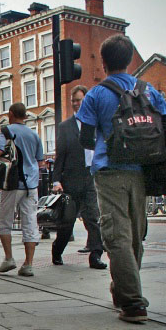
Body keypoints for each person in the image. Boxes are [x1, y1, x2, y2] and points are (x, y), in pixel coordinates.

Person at [77, 34, 166, 323]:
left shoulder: (96, 94)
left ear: (103, 63)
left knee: (116, 235)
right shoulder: (149, 91)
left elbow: (85, 138)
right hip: (143, 172)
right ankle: (123, 291)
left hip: (109, 172)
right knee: (134, 236)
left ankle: (132, 303)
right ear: (131, 59)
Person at [52, 85, 108, 270]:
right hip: (71, 179)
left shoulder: (95, 123)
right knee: (67, 223)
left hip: (90, 176)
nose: (76, 104)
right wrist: (56, 180)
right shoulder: (65, 127)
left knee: (93, 217)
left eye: (79, 100)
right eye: (74, 100)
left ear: (86, 101)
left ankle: (96, 255)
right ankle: (57, 250)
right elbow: (60, 155)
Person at [0, 103, 44, 277]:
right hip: (31, 184)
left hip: (12, 182)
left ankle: (9, 258)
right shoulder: (34, 134)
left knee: (4, 220)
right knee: (30, 221)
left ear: (11, 113)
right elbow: (40, 160)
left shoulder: (7, 131)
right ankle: (28, 264)